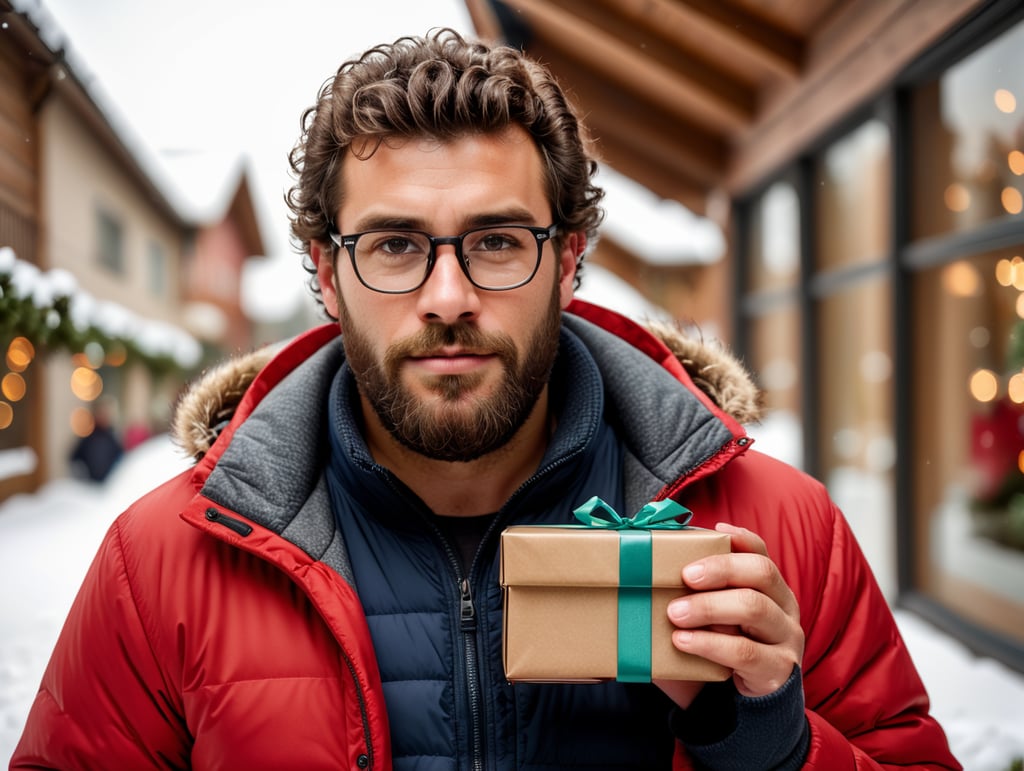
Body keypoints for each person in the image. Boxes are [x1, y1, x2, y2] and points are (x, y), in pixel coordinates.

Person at [12, 29, 960, 770]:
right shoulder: (164, 560)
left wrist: (771, 744)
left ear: (570, 262)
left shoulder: (774, 532)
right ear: (326, 275)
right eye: (394, 246)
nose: (449, 296)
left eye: (499, 241)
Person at [68, 397, 123, 483]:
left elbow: (120, 458)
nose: (104, 417)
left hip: (109, 486)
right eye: (101, 413)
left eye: (106, 414)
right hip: (90, 486)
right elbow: (74, 458)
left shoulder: (112, 438)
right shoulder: (88, 438)